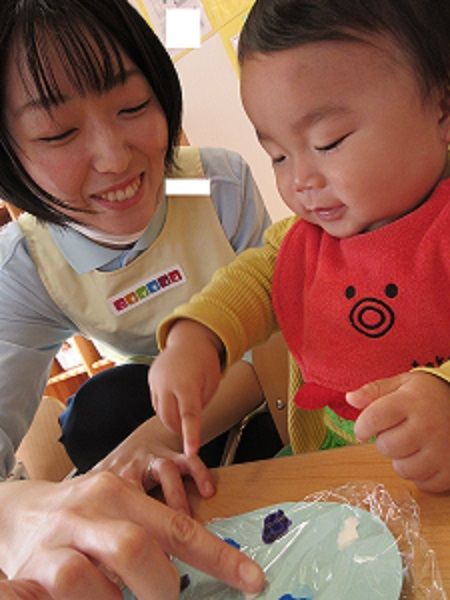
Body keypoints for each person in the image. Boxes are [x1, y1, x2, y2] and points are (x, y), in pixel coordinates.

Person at [0, 0, 269, 595]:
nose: (115, 158)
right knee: (99, 406)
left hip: (250, 407)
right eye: (59, 133)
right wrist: (16, 515)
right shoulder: (27, 263)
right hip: (157, 424)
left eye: (132, 106)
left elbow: (273, 353)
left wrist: (147, 442)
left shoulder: (209, 184)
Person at [150, 0, 450, 493]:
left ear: (442, 108)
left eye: (328, 142)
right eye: (277, 155)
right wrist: (196, 338)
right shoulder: (303, 243)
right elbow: (251, 283)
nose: (300, 180)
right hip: (334, 470)